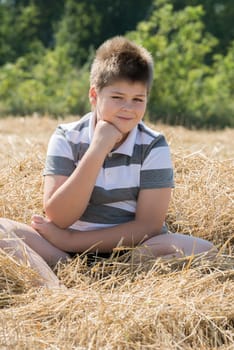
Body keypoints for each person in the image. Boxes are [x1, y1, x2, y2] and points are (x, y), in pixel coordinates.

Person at [0, 36, 216, 288]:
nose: (128, 108)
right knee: (3, 230)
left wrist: (70, 240)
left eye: (138, 99)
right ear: (94, 95)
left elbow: (149, 225)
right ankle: (57, 295)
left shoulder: (153, 145)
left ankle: (116, 281)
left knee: (203, 249)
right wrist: (98, 148)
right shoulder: (67, 137)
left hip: (130, 256)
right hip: (64, 257)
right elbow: (58, 216)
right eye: (117, 97)